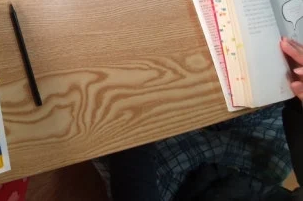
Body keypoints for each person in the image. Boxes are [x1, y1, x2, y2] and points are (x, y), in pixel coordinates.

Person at [95, 37, 303, 201]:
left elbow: (134, 188)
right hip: (255, 178)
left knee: (107, 111)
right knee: (276, 82)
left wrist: (138, 124)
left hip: (178, 187)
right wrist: (298, 100)